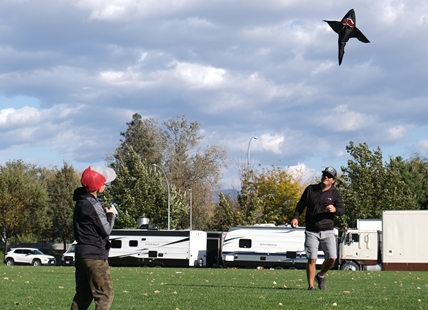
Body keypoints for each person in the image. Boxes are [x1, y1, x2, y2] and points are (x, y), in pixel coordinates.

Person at [290, 166, 345, 291]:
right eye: (325, 174)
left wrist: (335, 210)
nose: (326, 177)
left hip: (328, 230)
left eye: (329, 176)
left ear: (333, 181)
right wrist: (295, 217)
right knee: (312, 258)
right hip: (311, 230)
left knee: (332, 257)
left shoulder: (335, 193)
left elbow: (342, 210)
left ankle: (320, 276)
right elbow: (300, 206)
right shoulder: (310, 189)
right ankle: (311, 286)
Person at [71, 166, 117, 310]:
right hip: (95, 256)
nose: (105, 185)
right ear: (98, 187)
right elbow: (106, 230)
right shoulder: (93, 204)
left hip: (81, 253)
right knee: (105, 295)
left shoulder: (80, 201)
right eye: (103, 183)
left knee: (83, 296)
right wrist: (111, 215)